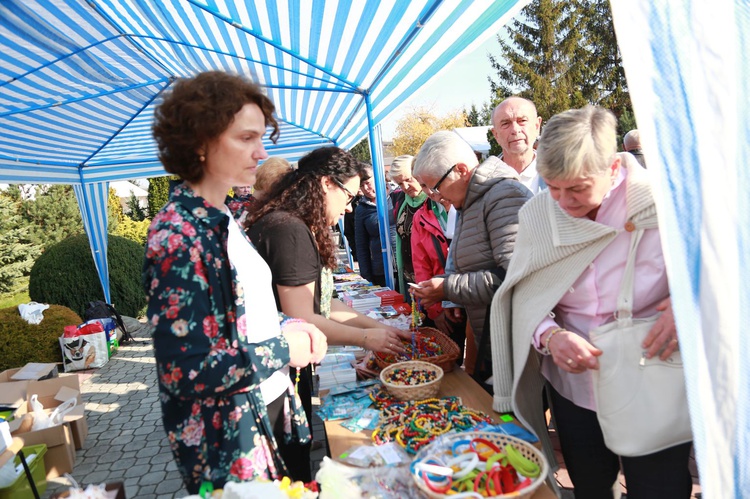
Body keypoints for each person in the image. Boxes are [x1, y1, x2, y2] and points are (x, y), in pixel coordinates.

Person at [489, 105, 691, 498]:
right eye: (552, 186)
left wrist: (688, 305)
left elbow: (719, 275)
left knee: (660, 487)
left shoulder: (667, 204)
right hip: (575, 385)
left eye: (578, 188)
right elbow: (525, 294)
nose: (563, 202)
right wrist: (549, 337)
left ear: (613, 168)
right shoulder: (538, 213)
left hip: (652, 376)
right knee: (591, 485)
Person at [144, 71, 327, 493]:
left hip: (263, 404)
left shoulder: (221, 217)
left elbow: (233, 321)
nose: (261, 152)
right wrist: (285, 347)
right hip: (232, 432)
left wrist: (285, 327)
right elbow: (186, 371)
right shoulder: (178, 235)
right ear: (200, 140)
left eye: (260, 138)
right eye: (246, 138)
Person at [246, 146, 410, 481]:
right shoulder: (288, 230)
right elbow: (303, 318)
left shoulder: (289, 224)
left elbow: (325, 303)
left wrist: (376, 326)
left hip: (284, 370)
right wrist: (367, 338)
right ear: (326, 185)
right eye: (348, 195)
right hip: (277, 376)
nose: (350, 207)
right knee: (290, 472)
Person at [412, 131, 531, 390]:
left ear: (462, 170)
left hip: (513, 338)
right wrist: (454, 297)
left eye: (436, 186)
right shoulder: (469, 199)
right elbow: (466, 257)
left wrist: (449, 288)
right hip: (491, 332)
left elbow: (515, 276)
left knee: (512, 416)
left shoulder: (503, 196)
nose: (435, 195)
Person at [410, 187, 466, 363]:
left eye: (432, 185)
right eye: (424, 185)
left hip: (472, 295)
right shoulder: (421, 217)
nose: (430, 191)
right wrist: (435, 309)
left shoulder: (467, 206)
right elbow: (421, 266)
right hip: (443, 302)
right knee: (450, 360)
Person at [389, 155, 428, 296]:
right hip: (407, 277)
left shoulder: (434, 201)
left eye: (408, 179)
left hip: (429, 278)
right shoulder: (400, 201)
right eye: (400, 183)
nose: (405, 187)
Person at [491, 96, 544, 193]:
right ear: (496, 134)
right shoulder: (482, 183)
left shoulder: (563, 176)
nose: (515, 130)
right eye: (506, 123)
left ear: (537, 126)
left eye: (522, 121)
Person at [354, 164, 392, 287]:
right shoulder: (361, 209)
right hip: (380, 268)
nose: (366, 188)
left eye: (368, 183)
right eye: (361, 185)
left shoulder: (397, 197)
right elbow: (361, 245)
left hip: (404, 265)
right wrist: (366, 277)